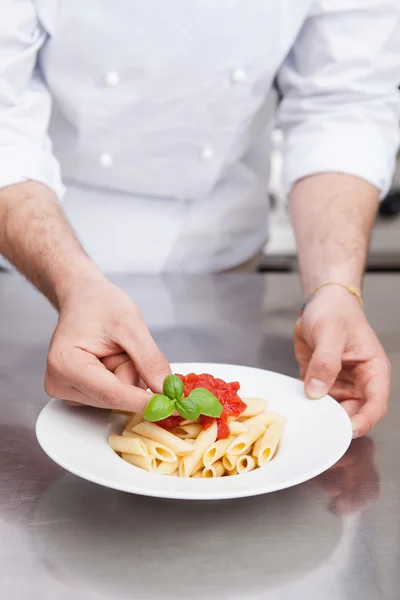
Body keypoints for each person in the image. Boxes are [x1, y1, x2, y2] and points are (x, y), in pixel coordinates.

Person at [0, 1, 399, 438]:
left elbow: (341, 104)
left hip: (220, 251)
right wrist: (71, 283)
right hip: (39, 253)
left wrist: (335, 287)